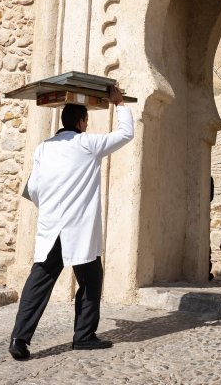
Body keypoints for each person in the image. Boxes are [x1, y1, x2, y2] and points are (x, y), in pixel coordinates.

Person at [9, 86, 133, 361]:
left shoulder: (44, 148)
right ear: (81, 122)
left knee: (39, 282)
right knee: (90, 281)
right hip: (79, 231)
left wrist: (52, 208)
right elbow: (126, 133)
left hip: (51, 228)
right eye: (86, 120)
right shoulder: (87, 144)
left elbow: (35, 188)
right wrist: (119, 103)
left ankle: (19, 339)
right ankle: (84, 336)